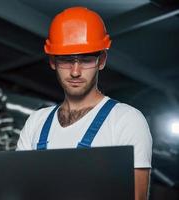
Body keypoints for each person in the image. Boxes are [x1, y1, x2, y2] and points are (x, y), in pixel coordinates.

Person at [16, 6, 152, 200]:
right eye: (66, 60)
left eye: (86, 60)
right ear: (53, 61)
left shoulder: (126, 120)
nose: (75, 71)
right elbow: (18, 191)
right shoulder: (36, 121)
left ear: (102, 60)